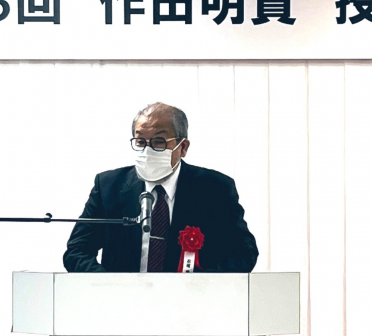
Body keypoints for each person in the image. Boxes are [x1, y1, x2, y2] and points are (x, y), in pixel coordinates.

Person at [63, 102, 258, 273]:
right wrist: (110, 285)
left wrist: (200, 284)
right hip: (122, 297)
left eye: (159, 142)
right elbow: (77, 251)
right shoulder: (109, 186)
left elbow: (243, 253)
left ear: (183, 147)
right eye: (140, 142)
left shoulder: (214, 189)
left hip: (190, 298)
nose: (148, 150)